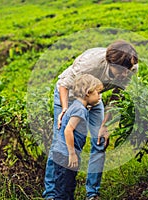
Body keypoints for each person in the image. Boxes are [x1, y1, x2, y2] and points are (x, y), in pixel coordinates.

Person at [43, 39, 138, 200]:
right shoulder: (90, 63)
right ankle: (51, 194)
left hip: (94, 98)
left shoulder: (131, 67)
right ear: (111, 64)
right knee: (59, 143)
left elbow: (117, 96)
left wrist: (105, 125)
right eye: (122, 70)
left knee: (99, 141)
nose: (126, 73)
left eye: (129, 69)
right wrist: (65, 109)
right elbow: (64, 85)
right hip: (70, 95)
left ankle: (92, 193)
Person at [52, 74, 103, 200]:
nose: (100, 96)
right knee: (64, 190)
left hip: (63, 153)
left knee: (68, 186)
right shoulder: (79, 110)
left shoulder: (76, 106)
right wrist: (72, 153)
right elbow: (68, 130)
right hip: (66, 155)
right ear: (88, 93)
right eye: (98, 93)